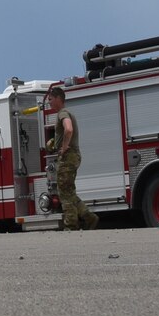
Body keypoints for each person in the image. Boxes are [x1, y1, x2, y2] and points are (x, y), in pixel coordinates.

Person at [43, 86, 98, 231]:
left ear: (58, 98)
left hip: (68, 156)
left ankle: (71, 224)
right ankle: (89, 217)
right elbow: (65, 132)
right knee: (69, 191)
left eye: (50, 99)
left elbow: (68, 129)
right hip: (73, 156)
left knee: (63, 191)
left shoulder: (63, 113)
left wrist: (65, 147)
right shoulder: (64, 113)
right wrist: (56, 142)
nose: (49, 103)